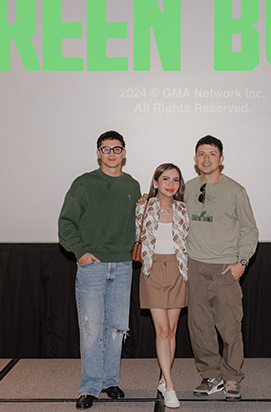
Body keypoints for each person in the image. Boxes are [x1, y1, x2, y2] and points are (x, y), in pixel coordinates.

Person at [58, 131, 141, 410]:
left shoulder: (132, 185)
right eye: (106, 149)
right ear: (98, 153)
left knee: (117, 328)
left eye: (117, 149)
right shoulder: (83, 184)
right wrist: (79, 252)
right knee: (92, 329)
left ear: (124, 153)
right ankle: (90, 387)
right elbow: (66, 223)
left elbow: (138, 224)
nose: (111, 154)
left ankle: (109, 381)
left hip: (123, 266)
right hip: (92, 267)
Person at [184, 135, 258, 400]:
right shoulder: (188, 188)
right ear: (195, 159)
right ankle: (211, 376)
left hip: (225, 268)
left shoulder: (236, 191)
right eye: (202, 154)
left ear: (221, 159)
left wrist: (242, 262)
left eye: (212, 154)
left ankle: (232, 378)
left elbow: (249, 229)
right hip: (194, 267)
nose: (206, 158)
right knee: (200, 328)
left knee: (229, 328)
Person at [135, 163, 189, 409]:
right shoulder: (143, 207)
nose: (170, 184)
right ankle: (169, 385)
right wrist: (144, 201)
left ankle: (164, 379)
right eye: (165, 179)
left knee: (173, 330)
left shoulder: (182, 209)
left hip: (178, 270)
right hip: (152, 270)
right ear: (156, 182)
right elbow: (136, 236)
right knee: (163, 330)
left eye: (175, 180)